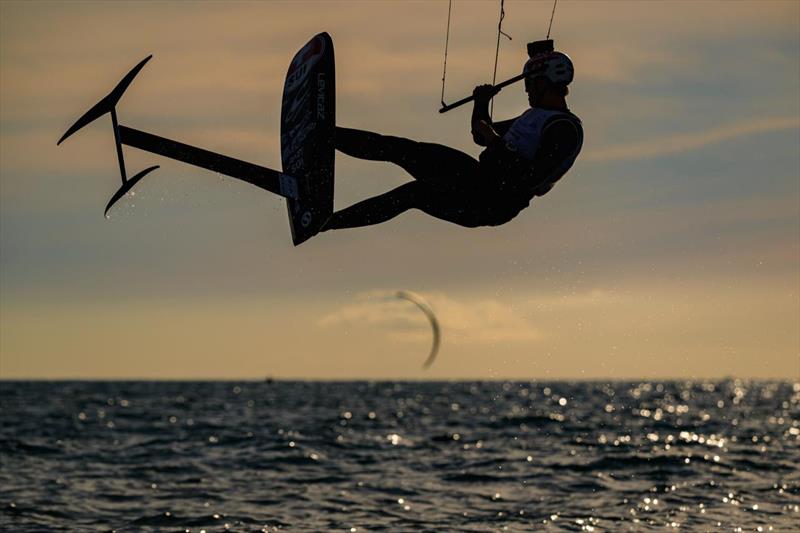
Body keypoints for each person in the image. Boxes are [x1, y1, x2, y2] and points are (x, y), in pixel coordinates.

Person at [322, 44, 583, 232]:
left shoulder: (565, 129)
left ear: (544, 83)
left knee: (413, 194)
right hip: (478, 177)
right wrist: (481, 104)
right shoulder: (534, 116)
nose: (526, 90)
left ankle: (327, 222)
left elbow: (529, 179)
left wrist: (493, 140)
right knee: (404, 149)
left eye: (530, 84)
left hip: (492, 202)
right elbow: (481, 134)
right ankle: (325, 136)